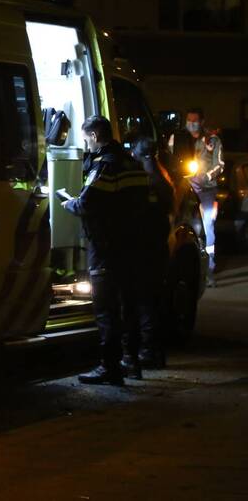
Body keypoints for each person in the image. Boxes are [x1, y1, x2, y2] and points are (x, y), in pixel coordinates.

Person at [62, 116, 151, 386]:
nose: (86, 144)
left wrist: (67, 203)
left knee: (106, 309)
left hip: (106, 246)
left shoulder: (106, 166)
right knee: (128, 305)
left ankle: (109, 367)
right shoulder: (132, 163)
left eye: (86, 139)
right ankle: (131, 362)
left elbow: (86, 203)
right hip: (133, 245)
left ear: (95, 135)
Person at [125, 137, 174, 375]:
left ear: (136, 154)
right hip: (158, 249)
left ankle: (147, 351)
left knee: (142, 303)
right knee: (153, 301)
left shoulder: (143, 181)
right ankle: (156, 352)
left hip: (143, 250)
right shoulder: (163, 179)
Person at [185, 108, 224, 285]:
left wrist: (206, 176)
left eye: (195, 120)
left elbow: (220, 164)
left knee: (208, 226)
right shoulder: (179, 139)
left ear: (202, 122)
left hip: (207, 189)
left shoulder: (212, 140)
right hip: (186, 188)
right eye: (189, 120)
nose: (191, 124)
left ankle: (210, 270)